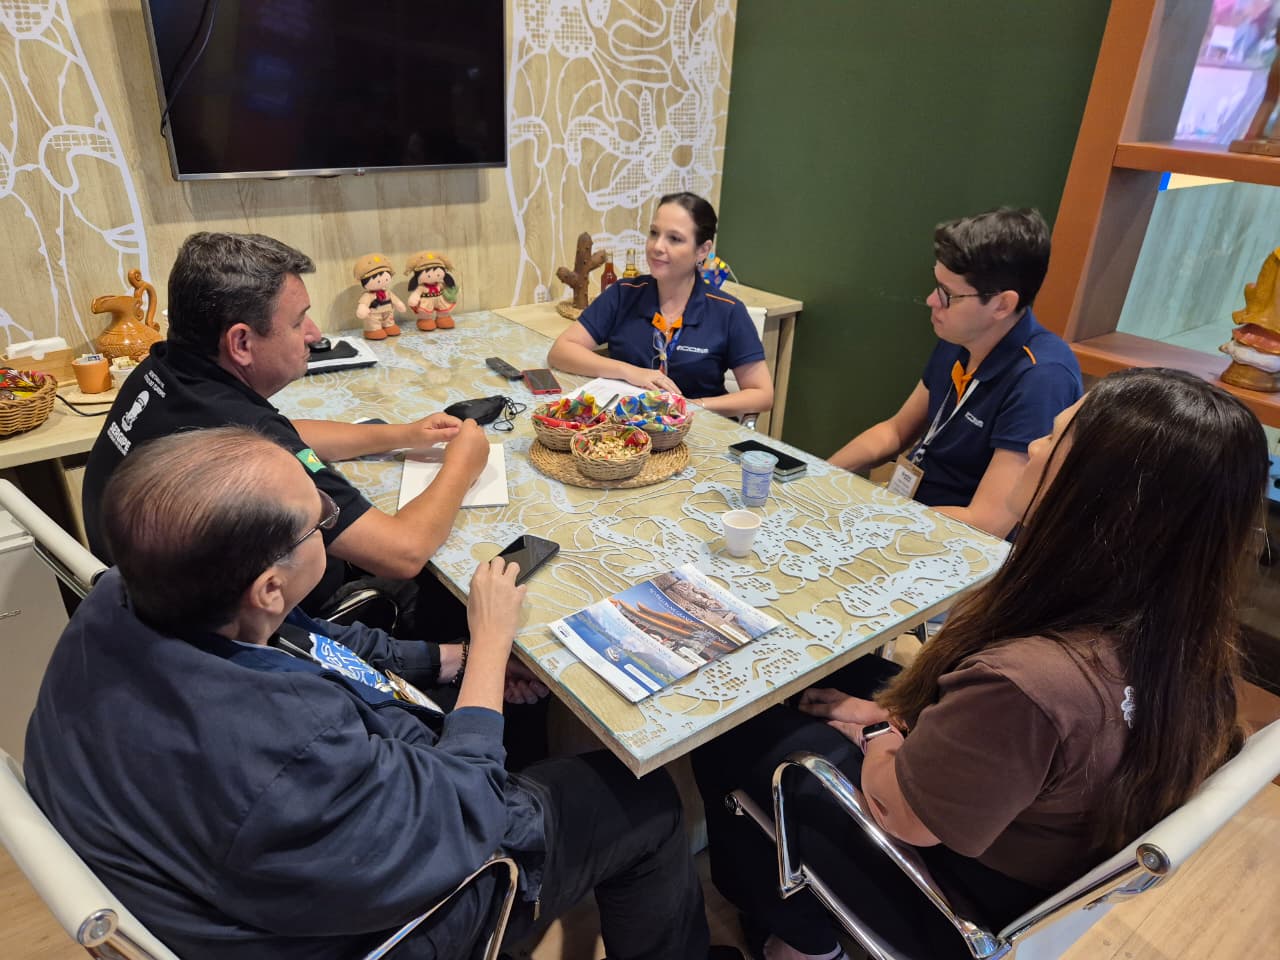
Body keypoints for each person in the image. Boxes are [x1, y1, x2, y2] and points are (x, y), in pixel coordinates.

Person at [26, 426, 733, 960]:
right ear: (269, 585)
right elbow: (471, 810)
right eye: (317, 524)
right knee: (641, 798)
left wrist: (453, 660)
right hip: (369, 930)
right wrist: (489, 643)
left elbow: (310, 643)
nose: (333, 526)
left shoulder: (125, 597)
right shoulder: (296, 748)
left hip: (228, 871)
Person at [696, 368, 1267, 960]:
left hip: (951, 897)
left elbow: (905, 817)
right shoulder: (1189, 644)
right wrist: (896, 716)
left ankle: (802, 944)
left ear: (1098, 492)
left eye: (1054, 439)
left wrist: (874, 729)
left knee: (732, 726)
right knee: (848, 682)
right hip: (1032, 849)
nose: (1035, 446)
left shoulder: (1030, 684)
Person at [81, 232, 490, 685]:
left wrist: (400, 435)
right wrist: (463, 464)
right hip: (265, 634)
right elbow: (402, 553)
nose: (314, 335)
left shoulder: (164, 371)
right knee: (445, 584)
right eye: (298, 322)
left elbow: (279, 433)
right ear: (241, 343)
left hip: (151, 610)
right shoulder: (235, 438)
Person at [828, 208, 1082, 539]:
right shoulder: (959, 338)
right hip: (915, 511)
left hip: (964, 544)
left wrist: (880, 518)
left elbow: (987, 522)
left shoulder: (1042, 378)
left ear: (1002, 305)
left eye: (949, 295)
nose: (932, 300)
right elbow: (894, 432)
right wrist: (821, 474)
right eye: (937, 286)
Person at [547, 191, 773, 418]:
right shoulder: (623, 294)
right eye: (654, 233)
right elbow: (561, 351)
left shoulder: (728, 311)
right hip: (627, 430)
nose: (657, 246)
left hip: (696, 428)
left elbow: (762, 394)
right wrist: (631, 372)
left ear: (702, 250)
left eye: (674, 239)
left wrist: (694, 406)